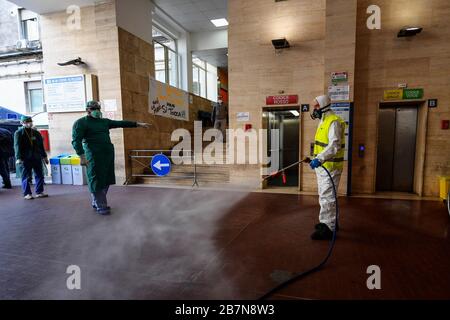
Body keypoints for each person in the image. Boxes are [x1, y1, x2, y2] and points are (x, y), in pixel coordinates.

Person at [72, 100, 151, 215]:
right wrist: (82, 156)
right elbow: (76, 141)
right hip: (93, 156)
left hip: (107, 154)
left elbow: (120, 123)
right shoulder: (81, 123)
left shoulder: (104, 122)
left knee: (107, 178)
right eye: (94, 109)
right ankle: (101, 205)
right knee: (96, 179)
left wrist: (137, 124)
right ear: (88, 110)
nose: (97, 111)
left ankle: (96, 201)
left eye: (98, 109)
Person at [309, 95, 345, 240]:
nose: (314, 110)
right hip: (323, 167)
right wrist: (315, 158)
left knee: (327, 198)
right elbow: (321, 145)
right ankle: (331, 222)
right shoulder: (323, 121)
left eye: (316, 106)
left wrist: (319, 158)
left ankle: (328, 229)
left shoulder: (333, 122)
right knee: (326, 196)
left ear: (323, 105)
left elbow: (334, 146)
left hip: (330, 167)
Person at [14, 116, 49, 200]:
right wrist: (18, 158)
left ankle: (39, 192)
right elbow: (17, 146)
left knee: (40, 174)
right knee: (26, 176)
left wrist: (44, 156)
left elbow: (41, 146)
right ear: (22, 123)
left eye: (30, 121)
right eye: (26, 122)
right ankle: (27, 194)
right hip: (25, 158)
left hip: (36, 157)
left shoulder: (36, 133)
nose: (29, 123)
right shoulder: (19, 133)